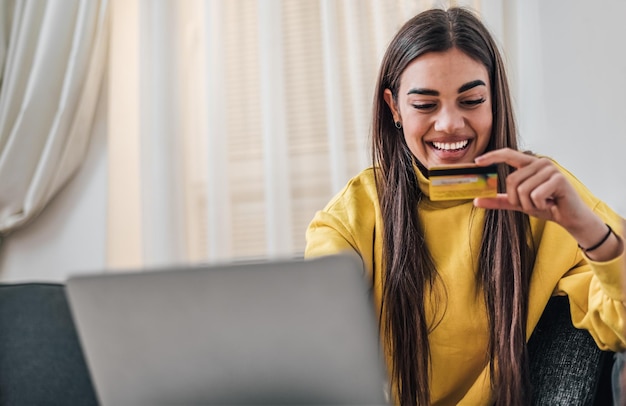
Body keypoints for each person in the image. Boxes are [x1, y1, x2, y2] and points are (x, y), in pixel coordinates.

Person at [304, 7, 625, 405]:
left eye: (471, 100)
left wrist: (589, 230)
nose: (449, 124)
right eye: (425, 105)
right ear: (394, 108)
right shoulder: (352, 216)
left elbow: (620, 329)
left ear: (494, 99)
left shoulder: (544, 196)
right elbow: (312, 352)